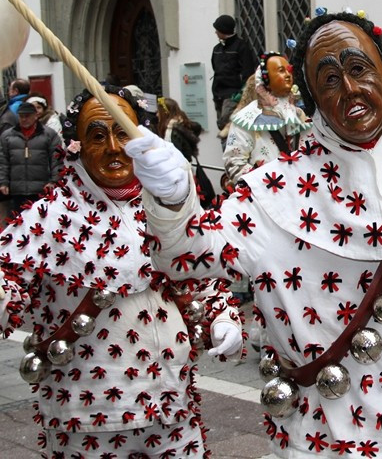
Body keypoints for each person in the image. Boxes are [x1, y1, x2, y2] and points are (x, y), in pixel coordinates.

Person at [126, 9, 382, 457]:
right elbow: (184, 256)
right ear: (311, 99)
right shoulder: (271, 194)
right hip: (329, 440)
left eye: (359, 69)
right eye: (328, 80)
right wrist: (173, 199)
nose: (349, 89)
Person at [0, 85, 243, 457]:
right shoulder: (48, 217)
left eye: (123, 133)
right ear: (75, 144)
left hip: (172, 409)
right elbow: (8, 290)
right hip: (89, 417)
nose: (114, 148)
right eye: (97, 135)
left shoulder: (164, 204)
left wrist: (222, 316)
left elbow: (198, 270)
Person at [223, 52, 309, 187]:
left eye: (289, 70)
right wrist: (267, 185)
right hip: (265, 196)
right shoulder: (246, 119)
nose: (287, 75)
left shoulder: (299, 115)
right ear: (266, 79)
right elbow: (234, 162)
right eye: (281, 71)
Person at [0, 100, 63, 213]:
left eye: (27, 116)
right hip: (17, 189)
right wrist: (3, 182)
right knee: (18, 224)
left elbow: (56, 159)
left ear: (35, 116)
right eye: (21, 116)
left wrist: (54, 181)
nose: (24, 119)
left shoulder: (49, 135)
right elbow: (3, 161)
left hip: (42, 188)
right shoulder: (7, 136)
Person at [211, 14, 258, 135]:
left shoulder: (241, 47)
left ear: (223, 30)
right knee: (222, 125)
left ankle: (230, 150)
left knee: (229, 126)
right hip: (218, 94)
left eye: (217, 29)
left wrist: (240, 93)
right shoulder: (217, 49)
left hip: (233, 94)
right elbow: (215, 67)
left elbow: (247, 72)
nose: (215, 32)